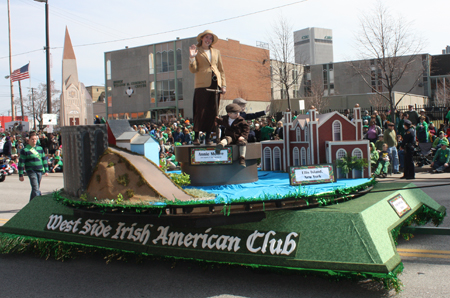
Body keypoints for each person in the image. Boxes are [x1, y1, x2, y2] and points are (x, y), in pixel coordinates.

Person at [189, 30, 226, 145]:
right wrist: (192, 58)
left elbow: (221, 69)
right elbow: (193, 69)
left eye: (210, 38)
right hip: (202, 85)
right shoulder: (197, 51)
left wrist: (223, 85)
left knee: (213, 111)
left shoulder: (216, 52)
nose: (208, 40)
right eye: (206, 37)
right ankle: (196, 137)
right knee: (200, 111)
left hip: (215, 84)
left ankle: (208, 137)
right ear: (202, 38)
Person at [18, 132, 49, 201]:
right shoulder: (25, 150)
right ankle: (39, 203)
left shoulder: (40, 149)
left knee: (36, 188)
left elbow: (44, 159)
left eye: (35, 139)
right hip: (31, 170)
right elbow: (21, 163)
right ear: (28, 140)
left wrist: (46, 170)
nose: (34, 141)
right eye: (32, 139)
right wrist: (21, 174)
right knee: (35, 188)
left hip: (40, 170)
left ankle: (31, 204)